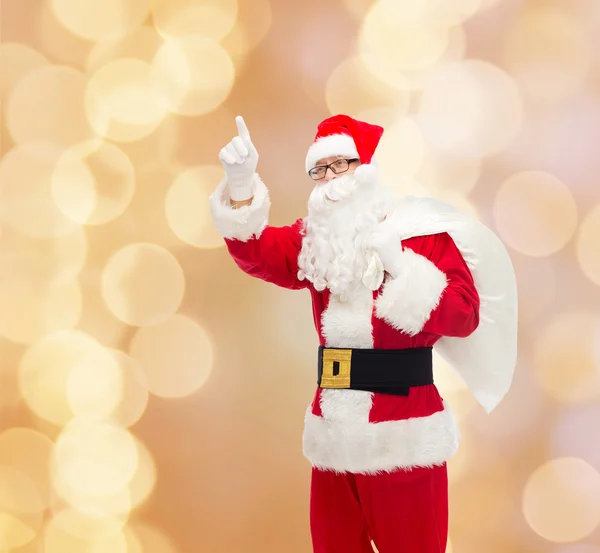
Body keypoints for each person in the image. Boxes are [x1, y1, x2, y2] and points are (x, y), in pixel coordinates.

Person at [209, 114, 518, 553]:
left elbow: (464, 316)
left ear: (367, 167)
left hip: (404, 438)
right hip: (333, 437)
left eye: (342, 165)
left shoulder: (421, 236)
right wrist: (240, 187)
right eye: (321, 169)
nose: (331, 179)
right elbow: (256, 252)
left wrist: (402, 268)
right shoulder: (314, 243)